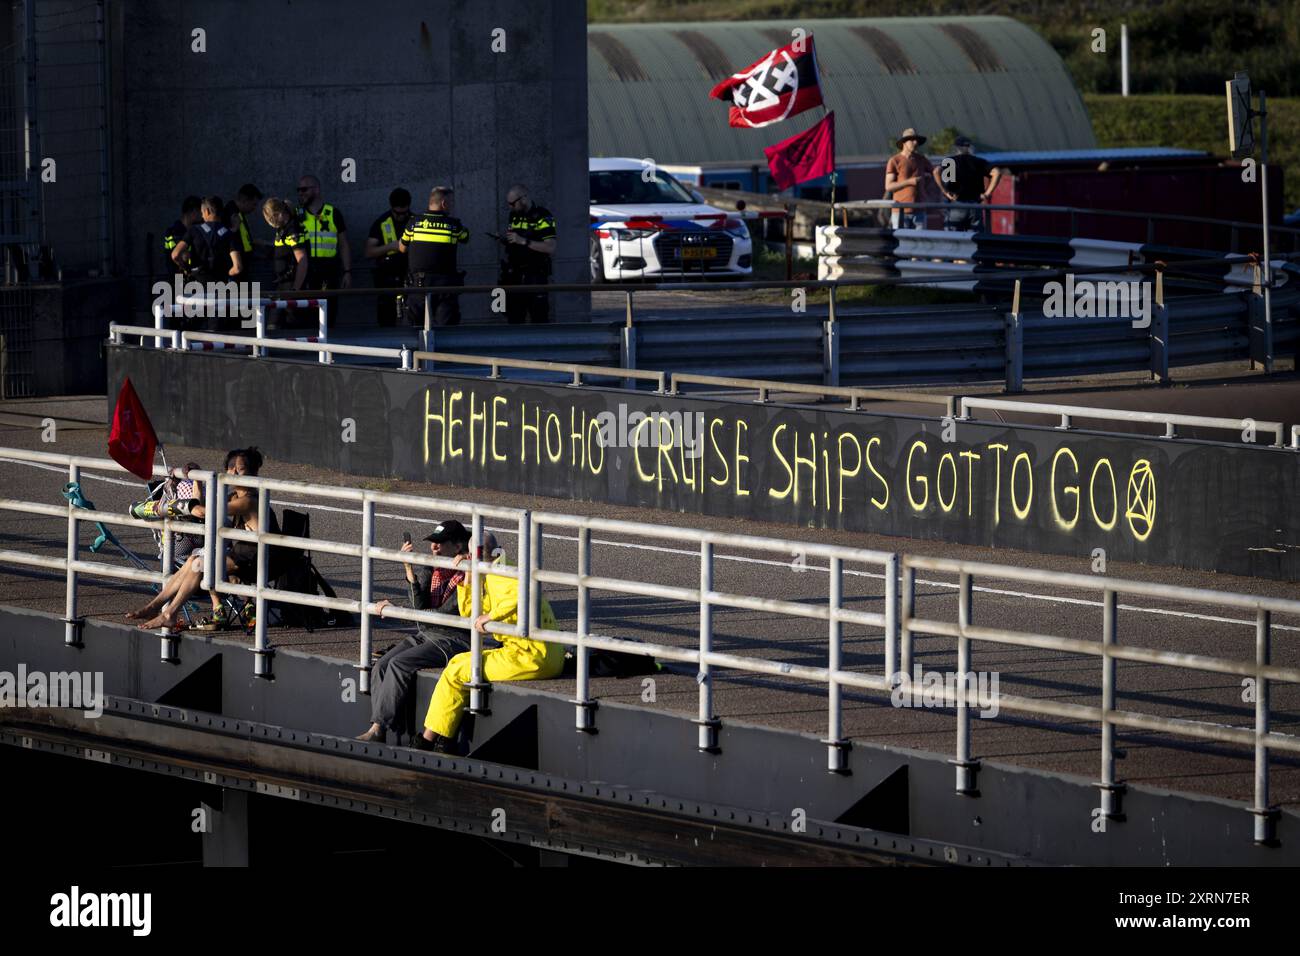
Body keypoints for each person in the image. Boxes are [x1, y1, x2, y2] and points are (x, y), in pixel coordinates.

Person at [413, 534, 564, 753]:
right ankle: (442, 739)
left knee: (457, 670)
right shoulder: (494, 571)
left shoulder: (503, 573)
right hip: (535, 653)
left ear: (475, 554)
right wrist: (467, 579)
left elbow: (520, 596)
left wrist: (492, 616)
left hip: (531, 655)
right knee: (460, 664)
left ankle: (429, 741)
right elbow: (470, 613)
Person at [124, 448, 275, 632]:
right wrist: (195, 479)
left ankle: (167, 613)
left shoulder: (249, 500)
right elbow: (204, 507)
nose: (233, 473)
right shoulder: (235, 496)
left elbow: (204, 511)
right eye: (230, 468)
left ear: (252, 473)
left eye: (240, 469)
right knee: (193, 560)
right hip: (239, 556)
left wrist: (183, 506)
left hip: (253, 560)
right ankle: (156, 607)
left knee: (199, 565)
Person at [357, 519, 477, 743]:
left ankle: (378, 729)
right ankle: (379, 728)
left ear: (458, 547)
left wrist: (397, 610)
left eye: (440, 543)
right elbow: (419, 608)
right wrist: (408, 567)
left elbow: (446, 614)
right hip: (426, 634)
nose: (433, 547)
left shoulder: (469, 573)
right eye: (432, 542)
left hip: (453, 640)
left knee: (398, 664)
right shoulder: (432, 567)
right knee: (381, 666)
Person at [399, 185, 469, 327]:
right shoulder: (454, 225)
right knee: (447, 331)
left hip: (418, 286)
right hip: (445, 289)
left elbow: (402, 248)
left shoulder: (413, 223)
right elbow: (465, 237)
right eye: (451, 203)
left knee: (414, 331)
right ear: (444, 204)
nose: (452, 206)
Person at [500, 183, 557, 324]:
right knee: (513, 317)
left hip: (535, 275)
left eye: (512, 204)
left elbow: (550, 247)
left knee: (539, 317)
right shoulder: (514, 215)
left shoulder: (543, 217)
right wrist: (505, 239)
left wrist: (523, 241)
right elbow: (513, 239)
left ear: (523, 199)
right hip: (515, 275)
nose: (510, 207)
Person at [295, 174, 352, 297]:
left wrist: (347, 271)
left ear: (316, 189)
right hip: (306, 270)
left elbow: (343, 244)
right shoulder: (296, 215)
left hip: (328, 271)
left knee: (329, 311)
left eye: (304, 189)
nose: (300, 193)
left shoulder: (333, 213)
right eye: (298, 190)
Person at [365, 187, 412, 327]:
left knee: (412, 316)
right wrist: (391, 247)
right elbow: (368, 252)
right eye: (397, 213)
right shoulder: (382, 222)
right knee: (386, 318)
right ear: (391, 208)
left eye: (404, 213)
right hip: (387, 277)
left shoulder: (414, 221)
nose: (401, 216)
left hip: (409, 276)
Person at [933, 136, 1001, 232]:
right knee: (974, 239)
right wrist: (987, 194)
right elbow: (997, 172)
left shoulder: (950, 161)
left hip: (956, 204)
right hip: (975, 205)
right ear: (969, 147)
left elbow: (936, 171)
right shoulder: (978, 161)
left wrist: (945, 192)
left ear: (956, 147)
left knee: (954, 239)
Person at [262, 197, 309, 329]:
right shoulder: (283, 229)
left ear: (280, 214)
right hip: (282, 286)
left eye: (272, 218)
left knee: (286, 326)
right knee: (272, 326)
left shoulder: (293, 230)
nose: (270, 222)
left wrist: (295, 290)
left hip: (291, 286)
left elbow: (302, 260)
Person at [884, 128, 934, 230]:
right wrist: (909, 182)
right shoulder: (894, 160)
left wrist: (927, 183)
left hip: (920, 209)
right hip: (901, 211)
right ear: (904, 142)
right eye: (912, 140)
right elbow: (889, 186)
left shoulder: (922, 159)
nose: (915, 142)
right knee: (901, 243)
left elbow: (934, 173)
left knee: (921, 243)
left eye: (916, 140)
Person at [223, 183, 264, 277]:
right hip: (236, 273)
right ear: (245, 200)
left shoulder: (238, 213)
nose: (255, 208)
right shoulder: (232, 213)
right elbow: (231, 239)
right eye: (254, 204)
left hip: (242, 271)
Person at [163, 196, 203, 275]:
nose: (202, 215)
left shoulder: (196, 230)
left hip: (193, 277)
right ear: (193, 211)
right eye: (200, 211)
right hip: (179, 276)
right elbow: (181, 256)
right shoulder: (174, 232)